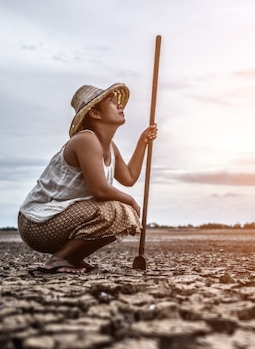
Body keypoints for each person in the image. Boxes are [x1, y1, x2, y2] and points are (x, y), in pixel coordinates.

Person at [18, 83, 157, 273]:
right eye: (111, 102)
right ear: (95, 114)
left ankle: (72, 258)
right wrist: (131, 201)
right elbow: (99, 190)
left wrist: (143, 142)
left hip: (60, 218)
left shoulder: (110, 146)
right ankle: (59, 260)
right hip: (37, 224)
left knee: (123, 212)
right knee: (119, 211)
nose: (119, 106)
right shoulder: (86, 139)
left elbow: (129, 178)